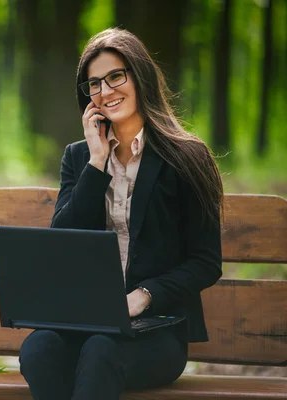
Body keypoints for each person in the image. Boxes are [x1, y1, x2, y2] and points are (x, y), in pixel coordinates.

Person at [18, 28, 224, 400]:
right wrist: (97, 164)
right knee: (38, 350)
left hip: (154, 329)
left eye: (116, 76)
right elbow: (62, 245)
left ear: (139, 75)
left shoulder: (188, 158)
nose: (106, 91)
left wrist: (143, 296)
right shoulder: (80, 157)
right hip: (83, 321)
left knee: (101, 352)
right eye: (94, 84)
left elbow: (206, 262)